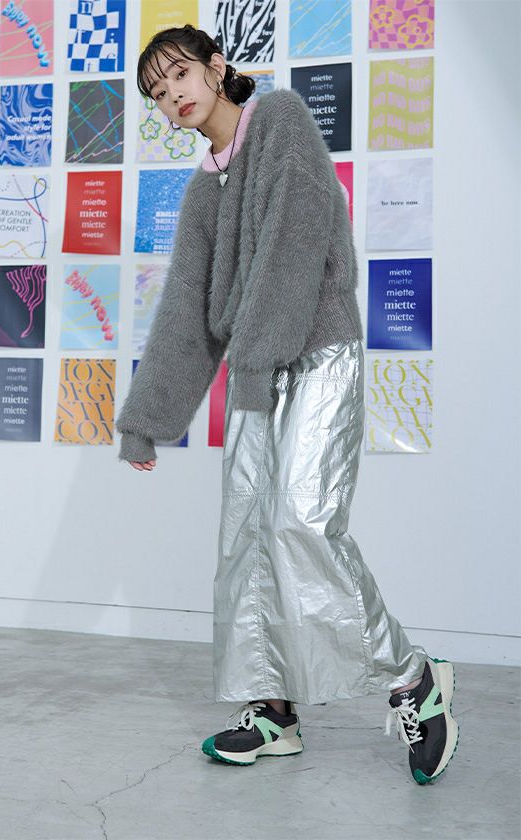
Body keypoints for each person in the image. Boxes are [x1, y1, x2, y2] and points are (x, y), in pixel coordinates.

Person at [115, 24, 459, 785]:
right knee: (245, 537)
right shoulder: (204, 189)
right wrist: (146, 420)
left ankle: (412, 677)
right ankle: (271, 711)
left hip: (316, 352)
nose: (172, 96)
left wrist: (259, 357)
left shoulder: (280, 120)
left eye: (179, 75)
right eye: (157, 92)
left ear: (217, 67)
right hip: (256, 372)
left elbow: (294, 246)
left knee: (300, 521)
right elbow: (187, 312)